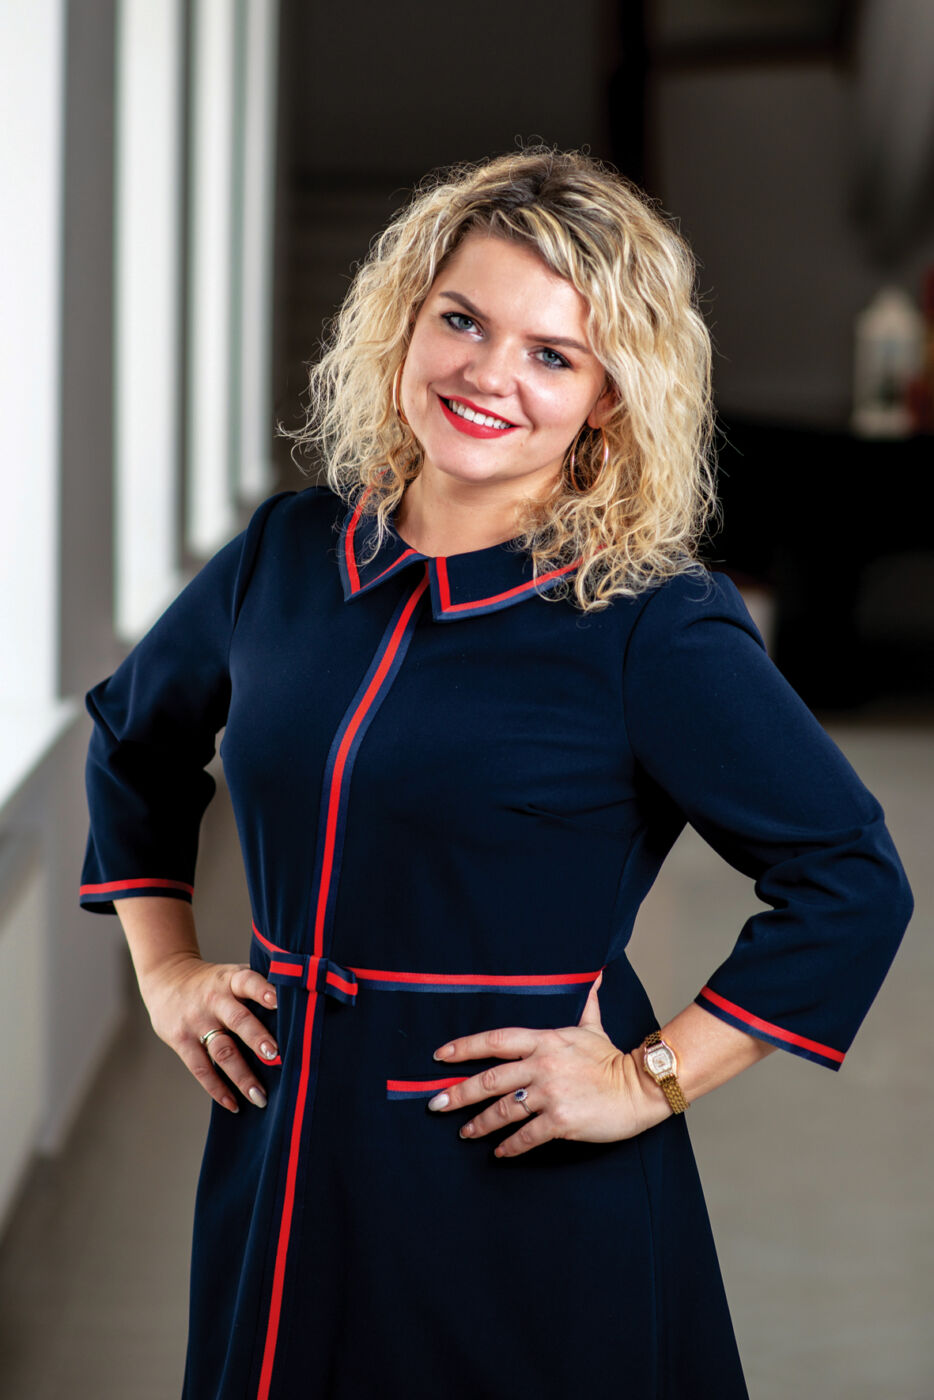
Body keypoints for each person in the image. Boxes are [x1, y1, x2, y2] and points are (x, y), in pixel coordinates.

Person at [79, 147, 913, 1400]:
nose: (487, 374)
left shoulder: (653, 620)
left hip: (515, 1174)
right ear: (405, 319)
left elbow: (849, 875)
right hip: (280, 1149)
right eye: (462, 320)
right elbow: (133, 737)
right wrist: (165, 970)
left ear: (608, 399)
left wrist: (647, 1078)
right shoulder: (285, 553)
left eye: (552, 354)